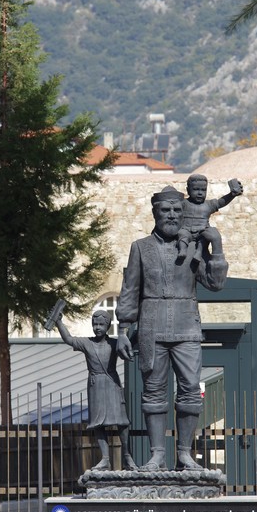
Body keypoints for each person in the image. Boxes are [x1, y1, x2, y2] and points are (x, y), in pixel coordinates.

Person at [116, 184, 229, 471]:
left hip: (187, 325)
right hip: (151, 327)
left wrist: (216, 247)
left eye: (177, 210)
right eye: (165, 210)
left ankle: (184, 454)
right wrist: (123, 330)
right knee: (153, 391)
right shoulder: (140, 247)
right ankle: (157, 455)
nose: (172, 215)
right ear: (155, 213)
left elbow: (215, 283)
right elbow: (130, 289)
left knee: (190, 389)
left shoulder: (194, 245)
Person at [54, 308, 135, 471]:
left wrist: (125, 337)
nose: (97, 327)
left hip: (112, 382)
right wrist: (59, 322)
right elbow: (68, 339)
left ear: (108, 326)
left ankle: (127, 457)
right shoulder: (87, 343)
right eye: (95, 324)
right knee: (98, 424)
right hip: (95, 384)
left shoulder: (114, 343)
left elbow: (129, 352)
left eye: (101, 325)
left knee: (122, 422)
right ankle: (105, 459)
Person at [177, 174, 244, 261]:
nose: (200, 193)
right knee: (182, 234)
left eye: (203, 190)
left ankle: (199, 252)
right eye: (196, 189)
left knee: (206, 238)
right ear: (188, 190)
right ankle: (182, 250)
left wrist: (231, 195)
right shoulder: (183, 203)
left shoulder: (208, 205)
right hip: (186, 229)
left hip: (202, 231)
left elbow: (220, 202)